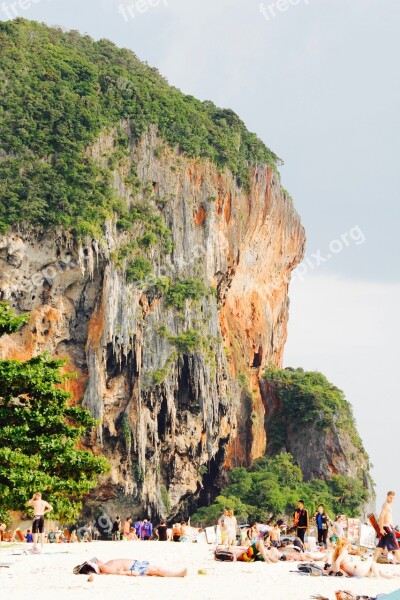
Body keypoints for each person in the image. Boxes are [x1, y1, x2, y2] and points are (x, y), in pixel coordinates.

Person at [333, 537, 398, 578]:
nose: (348, 546)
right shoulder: (344, 551)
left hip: (355, 572)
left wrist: (338, 572)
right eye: (347, 544)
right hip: (357, 571)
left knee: (374, 571)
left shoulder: (337, 554)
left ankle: (391, 576)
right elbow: (337, 562)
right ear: (345, 545)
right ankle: (378, 577)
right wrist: (338, 573)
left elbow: (335, 565)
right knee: (372, 562)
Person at [74, 557, 187, 577]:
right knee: (157, 571)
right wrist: (131, 573)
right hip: (134, 567)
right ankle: (177, 574)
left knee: (156, 569)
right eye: (95, 561)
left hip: (136, 564)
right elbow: (118, 573)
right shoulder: (104, 568)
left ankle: (176, 573)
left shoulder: (104, 566)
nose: (98, 559)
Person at [373, 491, 400, 563]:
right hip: (387, 528)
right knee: (396, 546)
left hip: (386, 527)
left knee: (380, 546)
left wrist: (382, 528)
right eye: (391, 498)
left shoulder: (387, 505)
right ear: (387, 496)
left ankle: (373, 561)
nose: (392, 500)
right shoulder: (386, 505)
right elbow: (381, 517)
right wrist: (381, 529)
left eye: (393, 498)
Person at [214, 541, 279, 564]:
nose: (220, 547)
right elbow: (235, 556)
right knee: (259, 542)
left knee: (273, 560)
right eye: (218, 548)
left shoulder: (228, 550)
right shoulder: (228, 551)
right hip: (245, 556)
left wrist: (244, 549)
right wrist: (242, 551)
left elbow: (240, 548)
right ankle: (267, 560)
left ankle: (272, 559)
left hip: (247, 558)